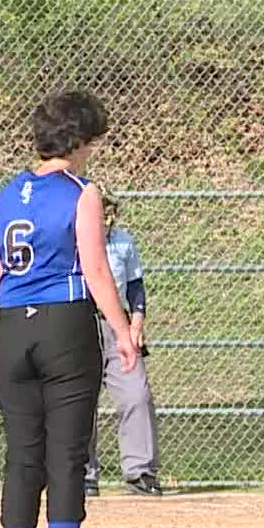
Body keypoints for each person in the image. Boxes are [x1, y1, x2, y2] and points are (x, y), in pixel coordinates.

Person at [0, 90, 137, 528]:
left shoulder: (7, 193)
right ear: (75, 142)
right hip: (65, 326)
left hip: (11, 329)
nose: (92, 150)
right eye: (90, 141)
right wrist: (121, 330)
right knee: (66, 456)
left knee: (22, 455)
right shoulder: (82, 192)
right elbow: (95, 271)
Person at [85, 187, 162, 497]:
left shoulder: (122, 242)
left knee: (137, 394)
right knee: (80, 401)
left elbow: (135, 287)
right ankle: (82, 474)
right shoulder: (72, 243)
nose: (104, 217)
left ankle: (140, 471)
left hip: (116, 324)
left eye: (107, 211)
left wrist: (137, 321)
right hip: (79, 322)